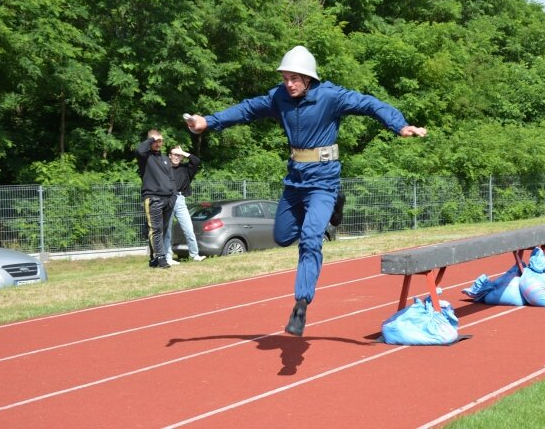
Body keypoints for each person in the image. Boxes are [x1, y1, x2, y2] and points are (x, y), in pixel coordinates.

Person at [184, 45, 427, 336]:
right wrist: (207, 122)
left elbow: (370, 104)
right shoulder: (278, 98)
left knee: (311, 239)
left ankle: (301, 303)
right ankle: (336, 203)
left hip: (324, 179)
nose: (289, 84)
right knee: (283, 236)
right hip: (294, 180)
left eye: (294, 79)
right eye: (285, 78)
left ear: (309, 78)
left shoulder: (331, 96)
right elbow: (246, 109)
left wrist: (398, 125)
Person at [135, 129, 176, 269]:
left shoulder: (165, 158)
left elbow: (171, 178)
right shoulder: (145, 157)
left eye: (160, 141)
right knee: (155, 230)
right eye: (156, 141)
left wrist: (173, 196)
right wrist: (151, 139)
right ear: (150, 141)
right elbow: (139, 150)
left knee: (162, 230)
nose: (158, 144)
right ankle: (160, 258)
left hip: (168, 199)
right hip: (153, 198)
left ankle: (154, 259)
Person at [163, 145, 206, 264]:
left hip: (181, 201)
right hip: (168, 200)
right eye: (174, 154)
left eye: (179, 155)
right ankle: (167, 258)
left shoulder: (186, 169)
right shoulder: (164, 169)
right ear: (169, 156)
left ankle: (195, 255)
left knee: (189, 230)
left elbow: (196, 161)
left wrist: (184, 152)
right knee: (167, 231)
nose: (177, 157)